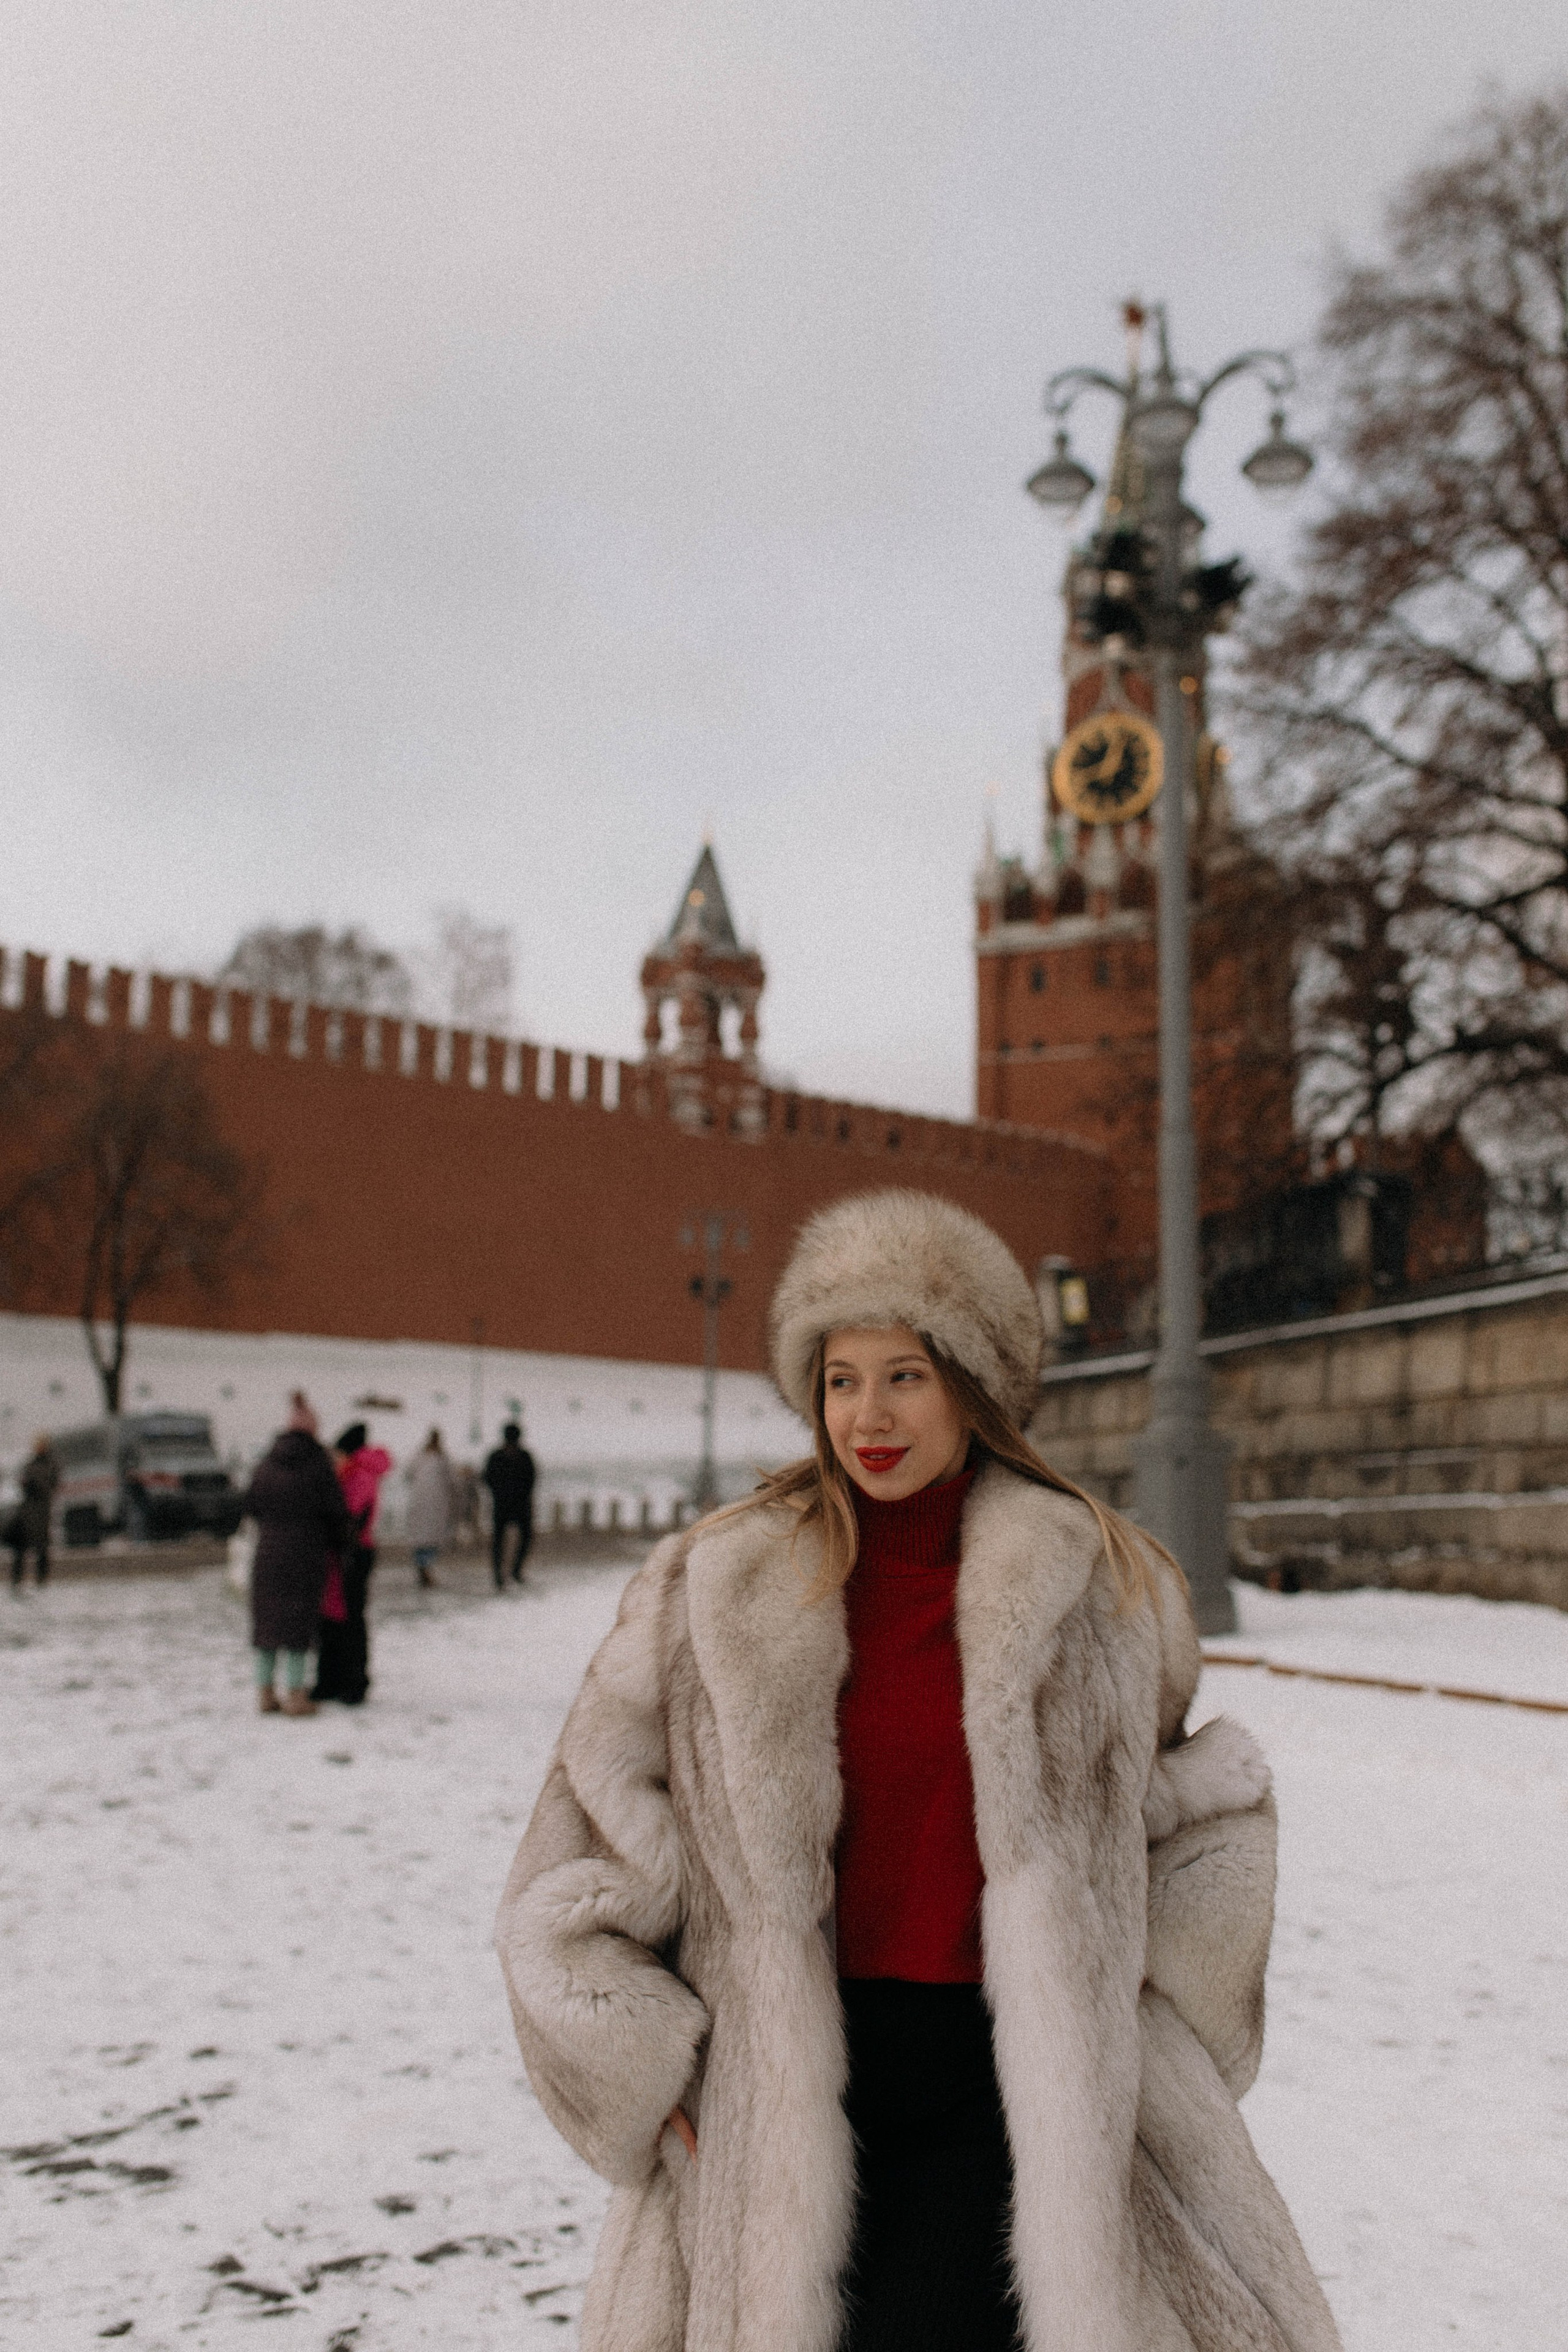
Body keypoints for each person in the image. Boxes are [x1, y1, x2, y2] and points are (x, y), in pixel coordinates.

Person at [496, 1190, 1342, 2352]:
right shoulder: (714, 1593)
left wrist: (1146, 2059)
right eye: (841, 1379)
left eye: (906, 1375)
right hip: (782, 2105)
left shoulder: (1098, 1590)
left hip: (1004, 2109)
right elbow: (576, 1860)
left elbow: (1202, 1818)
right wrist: (657, 2080)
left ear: (973, 1385)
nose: (868, 1415)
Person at [241, 1393, 349, 1716]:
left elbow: (251, 1505)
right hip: (305, 1555)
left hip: (269, 1553)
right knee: (299, 1626)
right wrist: (342, 1546)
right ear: (314, 1430)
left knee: (268, 1626)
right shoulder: (318, 1465)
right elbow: (335, 1513)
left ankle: (265, 1694)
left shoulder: (267, 1462)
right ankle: (296, 1697)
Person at [314, 1422, 393, 1705]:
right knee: (333, 1616)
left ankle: (353, 1682)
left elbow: (351, 1517)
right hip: (344, 1553)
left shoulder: (360, 1475)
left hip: (353, 1553)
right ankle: (332, 1681)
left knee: (350, 1619)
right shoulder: (353, 1473)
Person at [483, 1420, 536, 1589]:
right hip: (518, 1504)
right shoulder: (524, 1456)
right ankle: (513, 1571)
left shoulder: (497, 1456)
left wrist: (498, 1492)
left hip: (503, 1504)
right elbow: (532, 1480)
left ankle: (502, 1574)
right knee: (523, 1538)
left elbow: (487, 1478)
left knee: (500, 1541)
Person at [7, 1434, 59, 1589]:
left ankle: (41, 1579)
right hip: (27, 1511)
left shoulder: (51, 1464)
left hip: (41, 1512)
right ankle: (17, 1579)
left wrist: (33, 1483)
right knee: (20, 1546)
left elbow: (50, 1485)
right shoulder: (30, 1464)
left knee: (42, 1547)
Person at [404, 1427, 454, 1588]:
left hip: (421, 1504)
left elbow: (408, 1474)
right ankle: (426, 1569)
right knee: (430, 1540)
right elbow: (451, 1480)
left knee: (421, 1539)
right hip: (435, 1506)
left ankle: (423, 1568)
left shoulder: (420, 1457)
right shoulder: (441, 1458)